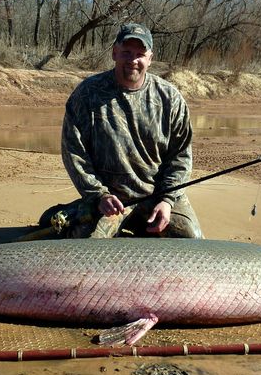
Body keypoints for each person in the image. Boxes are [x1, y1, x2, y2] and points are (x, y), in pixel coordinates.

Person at [46, 22, 203, 239]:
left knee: (191, 238)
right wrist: (98, 195)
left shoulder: (171, 99)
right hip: (109, 200)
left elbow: (180, 158)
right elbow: (74, 154)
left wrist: (167, 200)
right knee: (88, 245)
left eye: (140, 54)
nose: (133, 60)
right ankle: (77, 211)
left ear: (150, 58)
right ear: (114, 53)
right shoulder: (86, 94)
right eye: (126, 52)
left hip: (158, 196)